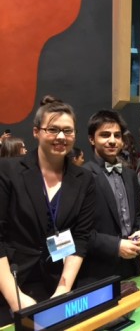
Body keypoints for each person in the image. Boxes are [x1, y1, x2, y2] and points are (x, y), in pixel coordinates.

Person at [0, 96, 95, 326]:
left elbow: (81, 237)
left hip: (57, 280)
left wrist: (62, 291)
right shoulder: (8, 170)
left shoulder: (84, 179)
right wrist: (17, 300)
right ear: (36, 132)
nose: (61, 137)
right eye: (53, 129)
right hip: (11, 282)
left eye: (68, 131)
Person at [78, 110, 140, 286]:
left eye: (117, 135)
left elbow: (139, 216)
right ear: (91, 139)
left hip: (133, 266)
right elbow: (78, 232)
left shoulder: (130, 175)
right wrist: (115, 246)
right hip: (99, 273)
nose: (112, 140)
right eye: (105, 135)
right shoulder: (81, 177)